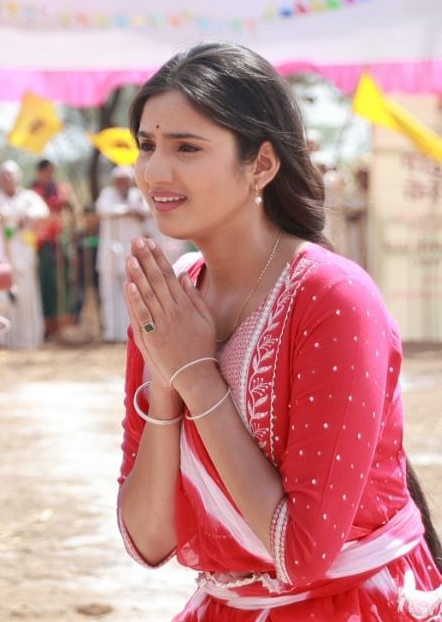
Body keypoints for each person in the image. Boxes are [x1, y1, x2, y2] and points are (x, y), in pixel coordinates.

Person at [116, 42, 441, 620]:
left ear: (262, 164)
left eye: (187, 147)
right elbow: (148, 540)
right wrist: (166, 390)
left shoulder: (332, 299)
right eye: (146, 145)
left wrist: (195, 375)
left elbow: (302, 554)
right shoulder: (172, 299)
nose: (154, 171)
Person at [0, 160, 50, 348]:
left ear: (18, 177)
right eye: (4, 174)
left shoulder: (28, 196)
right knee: (0, 296)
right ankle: (1, 340)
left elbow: (43, 210)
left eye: (11, 174)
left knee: (25, 295)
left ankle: (27, 340)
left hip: (23, 255)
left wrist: (29, 215)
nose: (7, 178)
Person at [95, 166, 150, 342]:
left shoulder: (137, 194)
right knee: (110, 294)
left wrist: (136, 212)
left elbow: (148, 210)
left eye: (125, 180)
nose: (122, 184)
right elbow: (103, 209)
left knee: (133, 293)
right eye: (119, 181)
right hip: (110, 255)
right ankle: (111, 332)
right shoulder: (107, 194)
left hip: (130, 254)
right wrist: (128, 211)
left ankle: (131, 332)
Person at [29, 159, 75, 339]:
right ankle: (48, 327)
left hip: (58, 241)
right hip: (41, 243)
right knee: (45, 284)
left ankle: (64, 326)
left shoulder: (59, 189)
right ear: (39, 173)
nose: (49, 176)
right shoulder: (32, 192)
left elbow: (68, 207)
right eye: (46, 172)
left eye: (51, 172)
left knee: (62, 284)